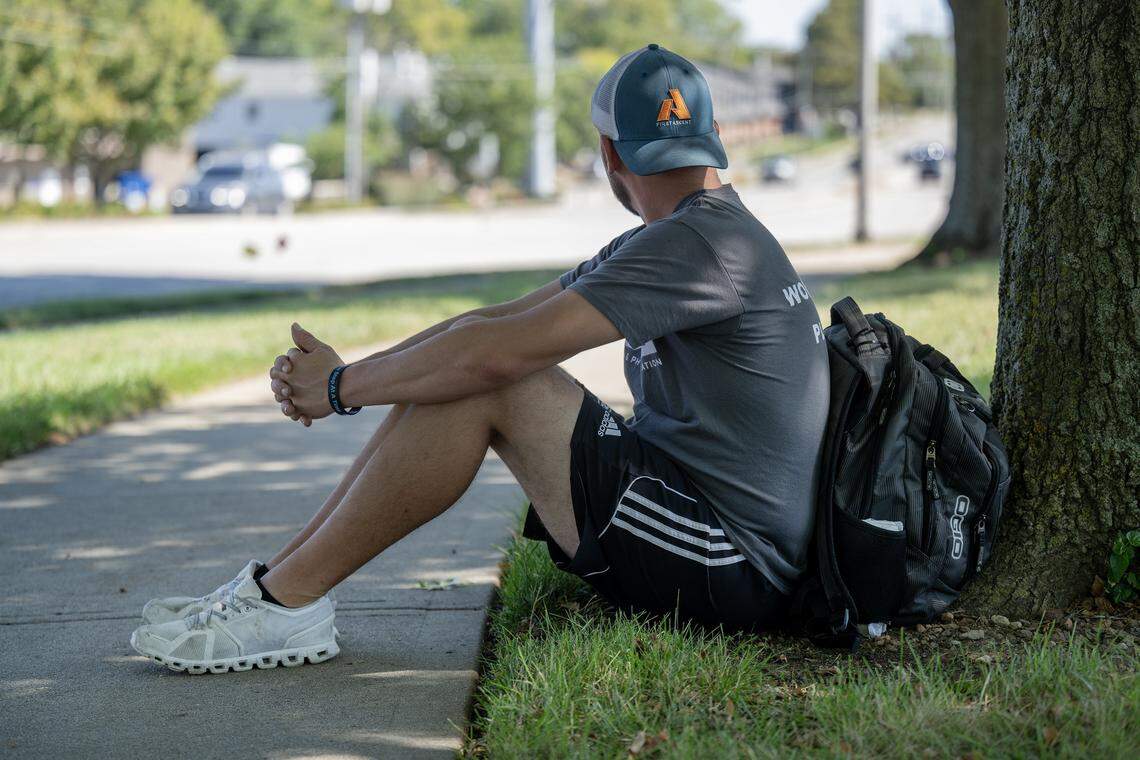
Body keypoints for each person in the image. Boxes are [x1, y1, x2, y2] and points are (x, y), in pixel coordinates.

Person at [130, 45, 830, 675]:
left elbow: (493, 355)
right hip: (702, 525)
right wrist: (349, 376)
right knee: (469, 368)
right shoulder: (686, 234)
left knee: (494, 382)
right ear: (711, 142)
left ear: (609, 154)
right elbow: (490, 322)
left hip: (733, 563)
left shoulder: (697, 246)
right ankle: (275, 586)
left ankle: (285, 601)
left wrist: (341, 388)